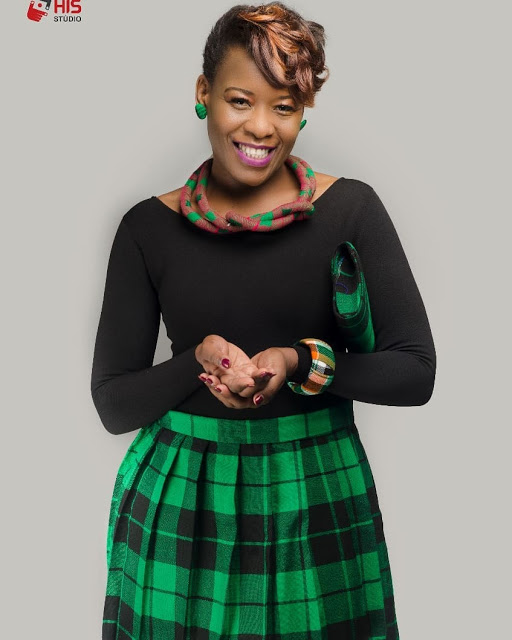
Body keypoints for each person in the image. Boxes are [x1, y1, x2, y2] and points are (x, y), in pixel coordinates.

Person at [91, 3, 436, 638]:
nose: (260, 126)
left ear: (305, 110)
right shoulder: (146, 228)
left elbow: (415, 373)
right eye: (240, 100)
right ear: (204, 93)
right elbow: (114, 405)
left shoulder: (351, 210)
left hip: (317, 490)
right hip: (182, 500)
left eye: (284, 105)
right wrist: (198, 359)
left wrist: (301, 361)